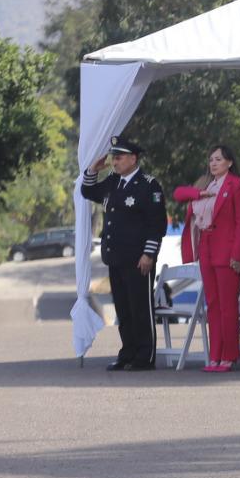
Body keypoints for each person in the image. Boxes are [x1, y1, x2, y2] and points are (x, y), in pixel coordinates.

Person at [81, 136, 168, 370]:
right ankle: (127, 352)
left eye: (118, 157)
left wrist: (149, 254)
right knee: (123, 309)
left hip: (138, 258)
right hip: (116, 257)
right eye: (113, 157)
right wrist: (92, 170)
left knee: (141, 309)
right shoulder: (112, 182)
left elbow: (156, 224)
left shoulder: (148, 185)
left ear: (133, 158)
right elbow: (87, 191)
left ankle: (144, 356)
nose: (114, 161)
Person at [172, 145, 240, 372]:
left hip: (226, 251)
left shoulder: (236, 185)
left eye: (218, 159)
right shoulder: (206, 184)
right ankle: (215, 355)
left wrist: (237, 254)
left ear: (229, 162)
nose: (213, 163)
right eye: (211, 160)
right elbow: (179, 193)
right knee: (213, 305)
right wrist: (199, 194)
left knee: (227, 306)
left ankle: (228, 355)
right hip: (206, 247)